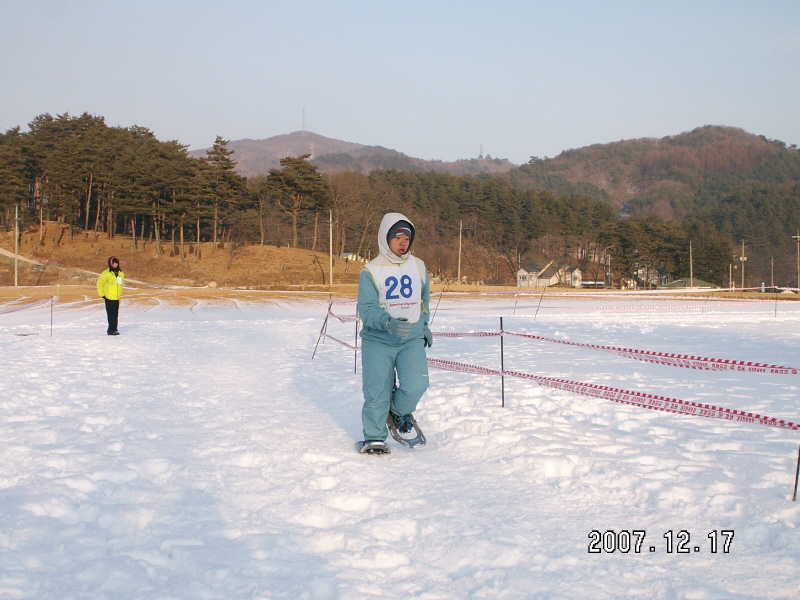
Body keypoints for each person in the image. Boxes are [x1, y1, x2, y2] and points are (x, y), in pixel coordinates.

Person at [357, 213, 433, 454]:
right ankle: (374, 437)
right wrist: (387, 322)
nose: (403, 242)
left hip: (410, 338)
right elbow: (366, 309)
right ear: (385, 238)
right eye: (397, 237)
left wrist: (424, 326)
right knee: (377, 390)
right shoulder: (370, 270)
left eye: (407, 237)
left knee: (417, 384)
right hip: (378, 340)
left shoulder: (418, 266)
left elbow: (423, 301)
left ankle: (397, 412)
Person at [97, 256, 124, 335]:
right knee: (111, 314)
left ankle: (115, 328)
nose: (115, 265)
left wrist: (119, 293)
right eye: (114, 263)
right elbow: (100, 283)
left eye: (116, 263)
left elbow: (121, 284)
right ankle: (111, 330)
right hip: (108, 296)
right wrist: (102, 294)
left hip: (116, 296)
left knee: (115, 314)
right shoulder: (106, 273)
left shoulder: (120, 273)